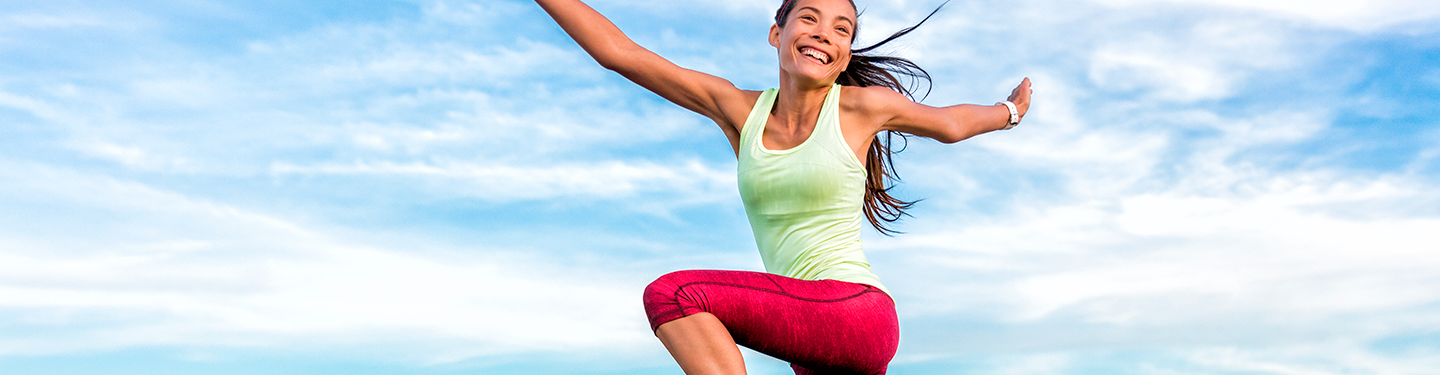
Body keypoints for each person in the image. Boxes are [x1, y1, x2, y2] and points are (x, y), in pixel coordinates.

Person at [534, 0, 1032, 373]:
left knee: (677, 295)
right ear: (777, 32)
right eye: (809, 18)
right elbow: (618, 53)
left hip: (856, 313)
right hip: (809, 342)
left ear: (844, 55)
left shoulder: (860, 109)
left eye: (842, 29)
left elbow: (949, 124)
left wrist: (1008, 112)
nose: (823, 34)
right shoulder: (737, 111)